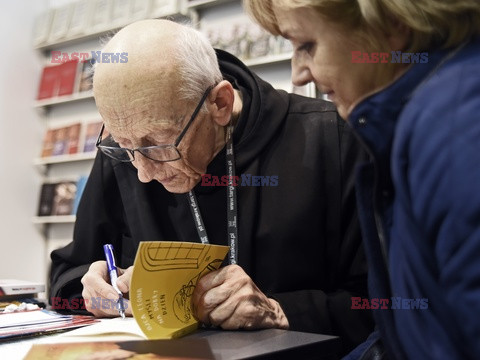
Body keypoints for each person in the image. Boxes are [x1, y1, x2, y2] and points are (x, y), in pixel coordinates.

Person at [49, 19, 372, 355]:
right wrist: (90, 288)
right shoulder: (124, 155)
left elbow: (382, 306)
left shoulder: (331, 139)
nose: (142, 173)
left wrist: (279, 310)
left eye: (158, 144)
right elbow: (64, 276)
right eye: (124, 144)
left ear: (220, 103)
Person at [244, 0, 480, 359]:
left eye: (306, 45)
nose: (298, 74)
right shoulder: (423, 118)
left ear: (391, 24)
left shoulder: (453, 129)